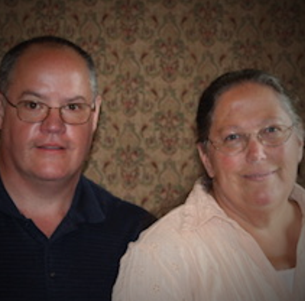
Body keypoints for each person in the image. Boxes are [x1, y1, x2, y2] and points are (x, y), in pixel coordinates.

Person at [0, 36, 155, 301]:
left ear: (95, 115)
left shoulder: (138, 235)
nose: (53, 125)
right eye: (33, 105)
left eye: (73, 107)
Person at [112, 69, 305, 301]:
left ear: (299, 141)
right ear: (206, 158)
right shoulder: (161, 258)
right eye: (233, 137)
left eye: (272, 130)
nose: (257, 153)